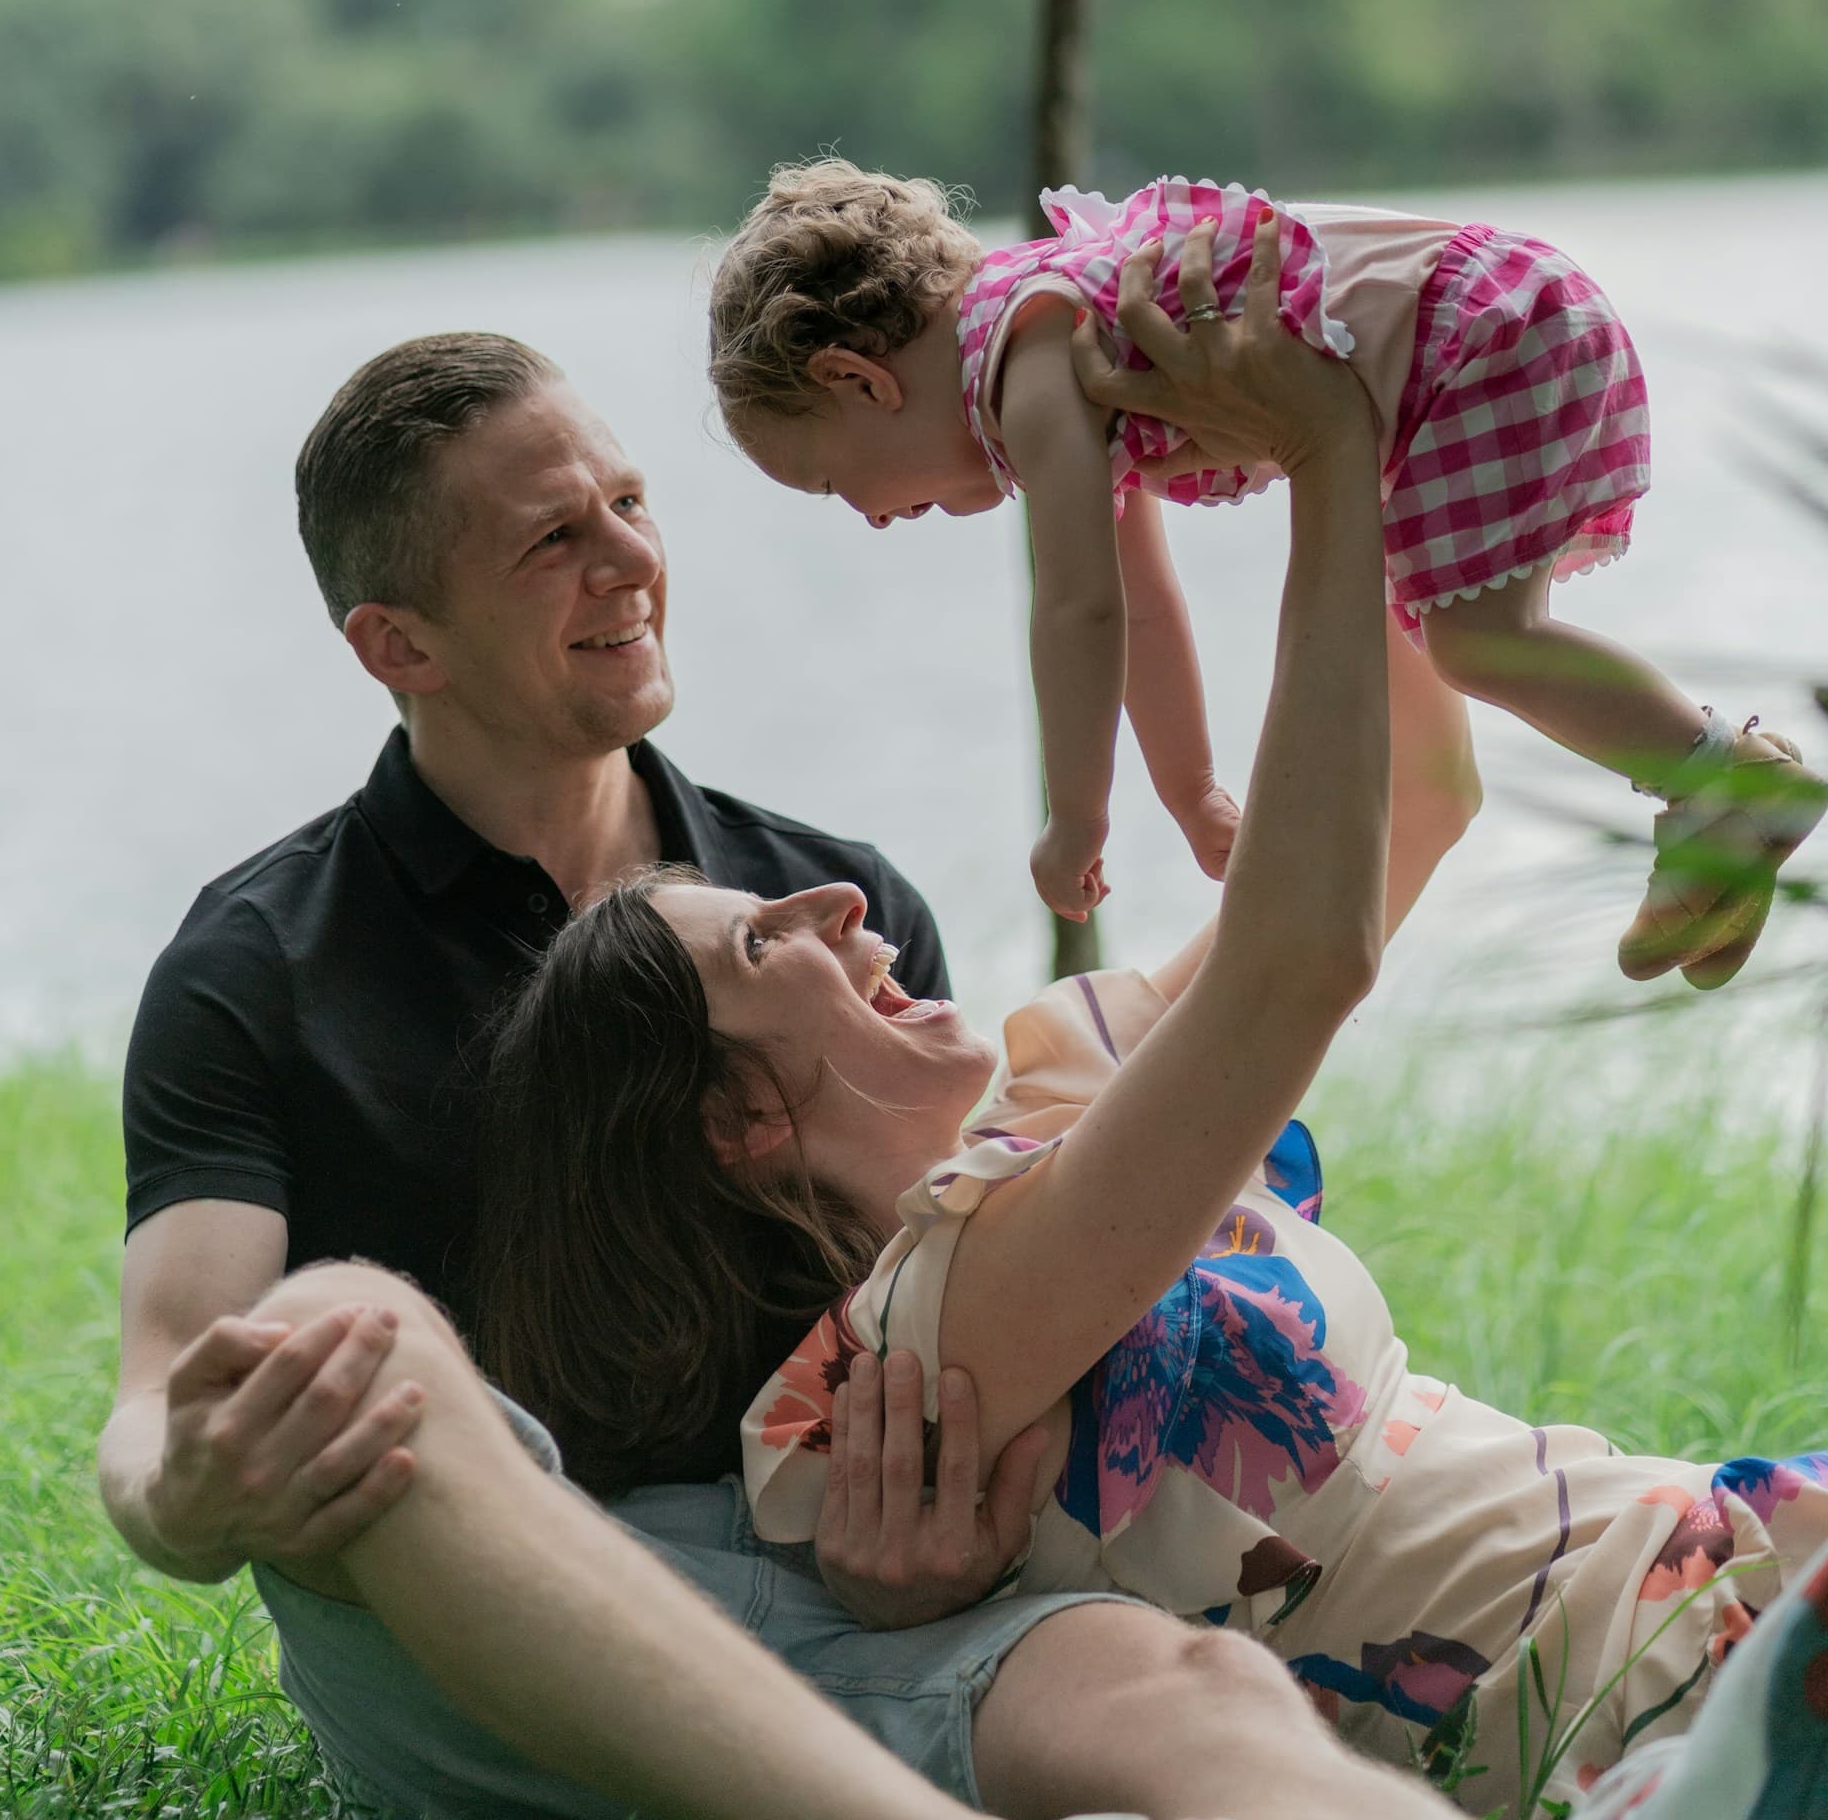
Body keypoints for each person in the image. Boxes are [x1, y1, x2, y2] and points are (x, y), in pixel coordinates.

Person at [493, 223, 1828, 1820]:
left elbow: (1414, 806)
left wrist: (1365, 424)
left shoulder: (1059, 1076)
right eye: (770, 939)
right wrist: (1329, 465)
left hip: (1726, 1548)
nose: (844, 903)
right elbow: (1296, 963)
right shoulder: (905, 1357)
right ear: (735, 1119)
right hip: (1660, 1691)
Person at [97, 327, 1445, 1820]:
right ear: (399, 644)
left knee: (1198, 1702)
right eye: (554, 538)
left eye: (630, 502)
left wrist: (941, 1533)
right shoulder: (258, 967)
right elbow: (171, 1381)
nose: (629, 561)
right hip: (476, 1611)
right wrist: (191, 1495)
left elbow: (974, 1289)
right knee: (348, 1333)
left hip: (830, 1609)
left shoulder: (827, 900)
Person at [706, 160, 1825, 976]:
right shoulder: (1048, 323)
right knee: (1459, 653)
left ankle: (1724, 776)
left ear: (861, 380)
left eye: (826, 483)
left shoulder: (1030, 358)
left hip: (1479, 336)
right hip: (1488, 316)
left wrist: (1076, 819)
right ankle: (1713, 817)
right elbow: (1140, 602)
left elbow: (1080, 607)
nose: (864, 519)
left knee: (1478, 640)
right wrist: (1192, 794)